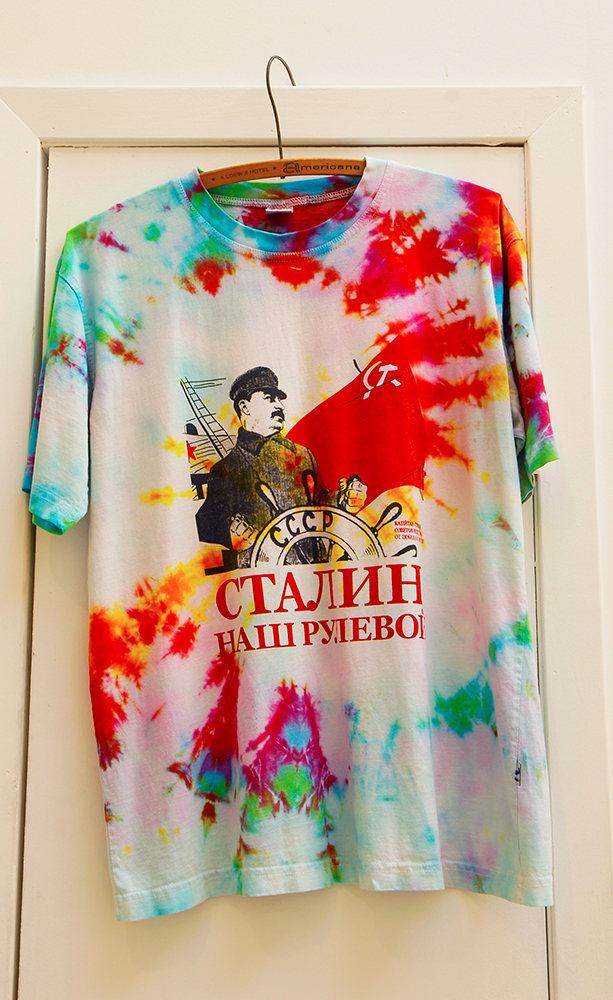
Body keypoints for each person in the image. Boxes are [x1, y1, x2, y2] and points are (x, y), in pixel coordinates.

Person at [196, 366, 366, 566]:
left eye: (279, 399)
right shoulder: (227, 469)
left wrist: (342, 500)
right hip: (264, 576)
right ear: (244, 407)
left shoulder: (302, 454)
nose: (280, 406)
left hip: (312, 571)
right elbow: (206, 521)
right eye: (270, 398)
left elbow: (318, 501)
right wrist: (228, 533)